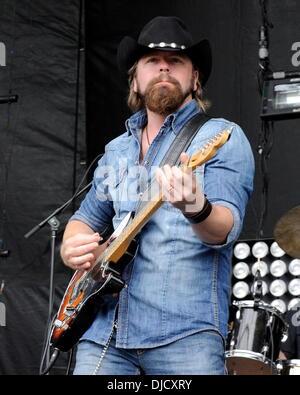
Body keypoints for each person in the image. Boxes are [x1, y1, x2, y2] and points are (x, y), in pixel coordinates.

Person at [60, 16, 255, 375]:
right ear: (135, 79)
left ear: (194, 79)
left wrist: (195, 207)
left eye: (176, 60)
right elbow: (83, 221)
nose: (163, 65)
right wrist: (72, 246)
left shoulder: (222, 138)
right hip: (103, 332)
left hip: (184, 334)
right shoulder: (116, 150)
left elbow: (223, 230)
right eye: (152, 60)